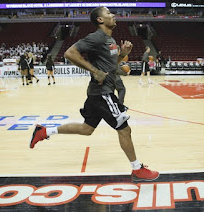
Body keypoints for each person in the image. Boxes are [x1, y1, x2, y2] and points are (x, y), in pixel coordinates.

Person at [29, 6, 159, 181]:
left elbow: (111, 66)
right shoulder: (96, 37)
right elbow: (69, 53)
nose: (113, 15)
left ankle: (44, 131)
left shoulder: (109, 39)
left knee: (87, 129)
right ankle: (137, 169)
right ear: (100, 20)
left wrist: (123, 55)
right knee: (124, 130)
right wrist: (94, 70)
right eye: (108, 14)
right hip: (103, 93)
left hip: (97, 93)